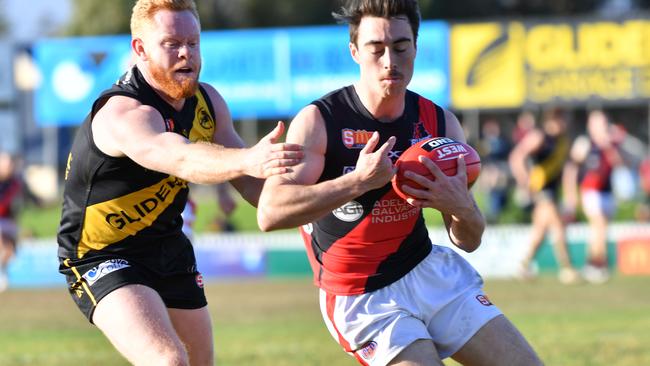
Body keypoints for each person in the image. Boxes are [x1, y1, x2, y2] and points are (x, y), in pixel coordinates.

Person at [257, 1, 542, 364]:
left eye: (401, 47)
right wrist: (357, 182)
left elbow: (469, 240)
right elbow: (269, 212)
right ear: (355, 52)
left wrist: (460, 206)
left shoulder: (440, 123)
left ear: (416, 49)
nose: (390, 60)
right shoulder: (320, 121)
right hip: (360, 294)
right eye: (376, 49)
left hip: (428, 272)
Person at [56, 1, 303, 365]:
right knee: (168, 360)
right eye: (172, 43)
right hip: (102, 254)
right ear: (140, 48)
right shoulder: (122, 113)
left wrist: (336, 195)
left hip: (168, 244)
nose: (186, 53)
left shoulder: (209, 102)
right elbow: (181, 157)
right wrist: (250, 157)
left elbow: (255, 188)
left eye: (193, 42)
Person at [509, 107, 580, 284]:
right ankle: (567, 268)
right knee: (558, 226)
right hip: (540, 189)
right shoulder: (539, 137)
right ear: (552, 120)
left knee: (541, 231)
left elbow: (568, 168)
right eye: (562, 119)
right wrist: (524, 182)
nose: (565, 124)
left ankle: (523, 265)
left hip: (553, 190)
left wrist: (570, 194)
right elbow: (517, 157)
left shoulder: (563, 141)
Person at [563, 110, 623, 284]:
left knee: (599, 231)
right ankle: (598, 264)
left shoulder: (610, 144)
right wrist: (571, 194)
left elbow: (618, 164)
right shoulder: (584, 143)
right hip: (590, 191)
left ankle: (592, 263)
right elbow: (571, 169)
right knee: (599, 225)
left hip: (607, 192)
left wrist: (608, 145)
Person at [0, 152, 21, 292]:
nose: (8, 167)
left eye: (9, 164)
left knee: (11, 253)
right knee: (4, 248)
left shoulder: (15, 183)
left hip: (10, 222)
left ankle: (3, 271)